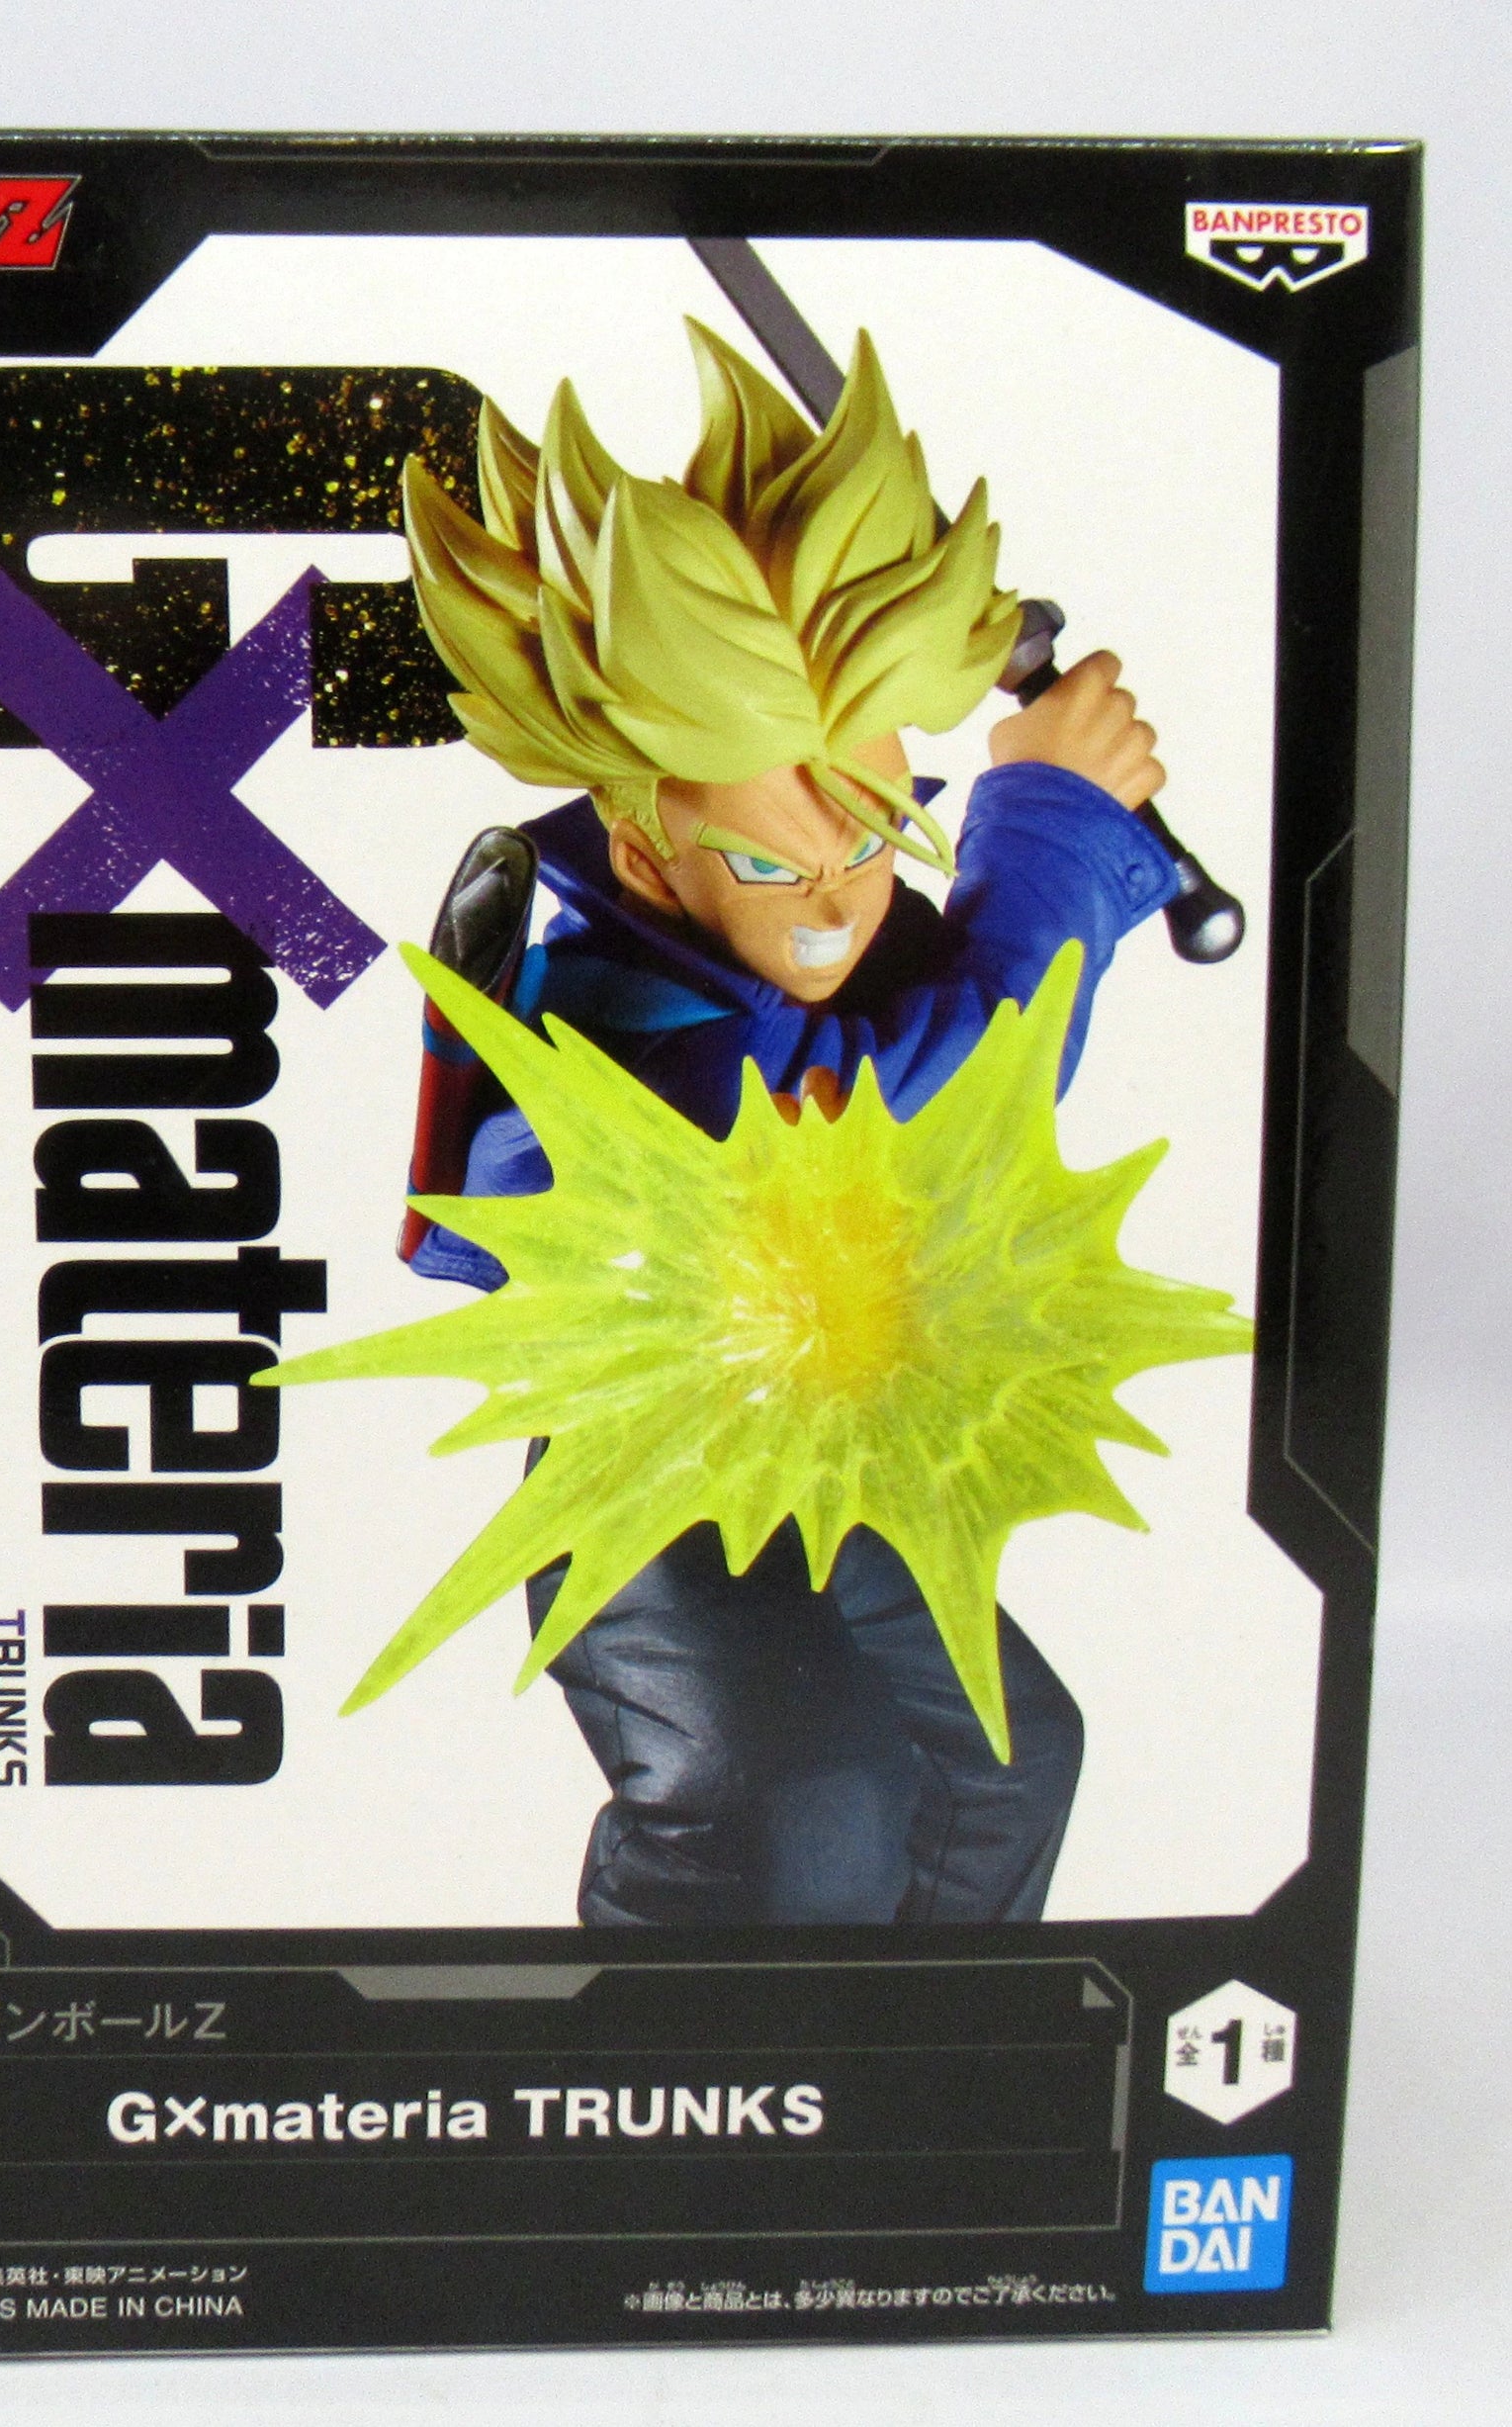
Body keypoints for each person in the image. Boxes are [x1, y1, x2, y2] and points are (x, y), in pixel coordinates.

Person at [398, 320, 1179, 1926]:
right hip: (650, 1489)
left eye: (871, 842)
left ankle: (930, 2062)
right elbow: (916, 1106)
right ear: (641, 841)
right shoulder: (611, 1019)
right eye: (768, 860)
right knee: (799, 1804)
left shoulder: (803, 942)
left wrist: (1071, 820)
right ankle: (671, 2071)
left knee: (1003, 1759)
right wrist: (1050, 822)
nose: (831, 903)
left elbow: (940, 1042)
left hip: (821, 1447)